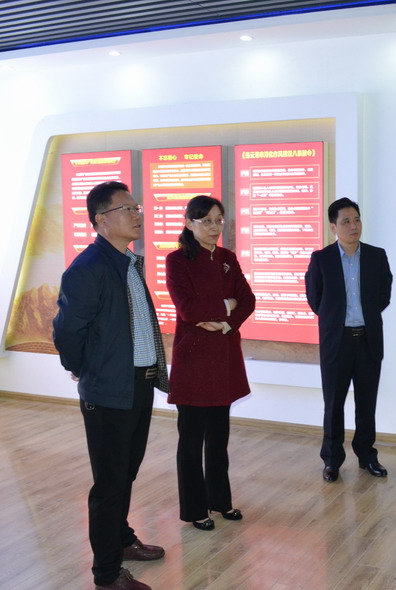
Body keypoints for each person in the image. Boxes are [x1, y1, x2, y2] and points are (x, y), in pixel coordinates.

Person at [53, 181, 168, 590]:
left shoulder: (127, 262)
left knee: (125, 473)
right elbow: (67, 331)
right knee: (109, 484)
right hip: (108, 391)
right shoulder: (88, 268)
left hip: (138, 384)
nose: (137, 214)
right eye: (127, 209)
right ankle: (106, 574)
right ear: (101, 220)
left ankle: (121, 539)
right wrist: (84, 368)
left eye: (137, 207)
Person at [165, 195, 255, 531]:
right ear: (189, 223)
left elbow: (248, 300)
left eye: (219, 220)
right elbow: (188, 309)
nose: (215, 227)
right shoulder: (177, 260)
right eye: (206, 220)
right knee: (191, 441)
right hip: (193, 361)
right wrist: (226, 304)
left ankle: (220, 501)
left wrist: (226, 322)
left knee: (218, 438)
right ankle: (194, 509)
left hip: (224, 356)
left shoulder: (228, 258)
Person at [305, 197, 393, 483]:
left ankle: (367, 456)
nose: (353, 226)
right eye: (346, 221)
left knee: (367, 403)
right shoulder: (321, 259)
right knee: (333, 404)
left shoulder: (377, 256)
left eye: (356, 220)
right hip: (337, 342)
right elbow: (315, 299)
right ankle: (332, 460)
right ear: (333, 227)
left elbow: (384, 295)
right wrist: (335, 319)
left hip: (368, 341)